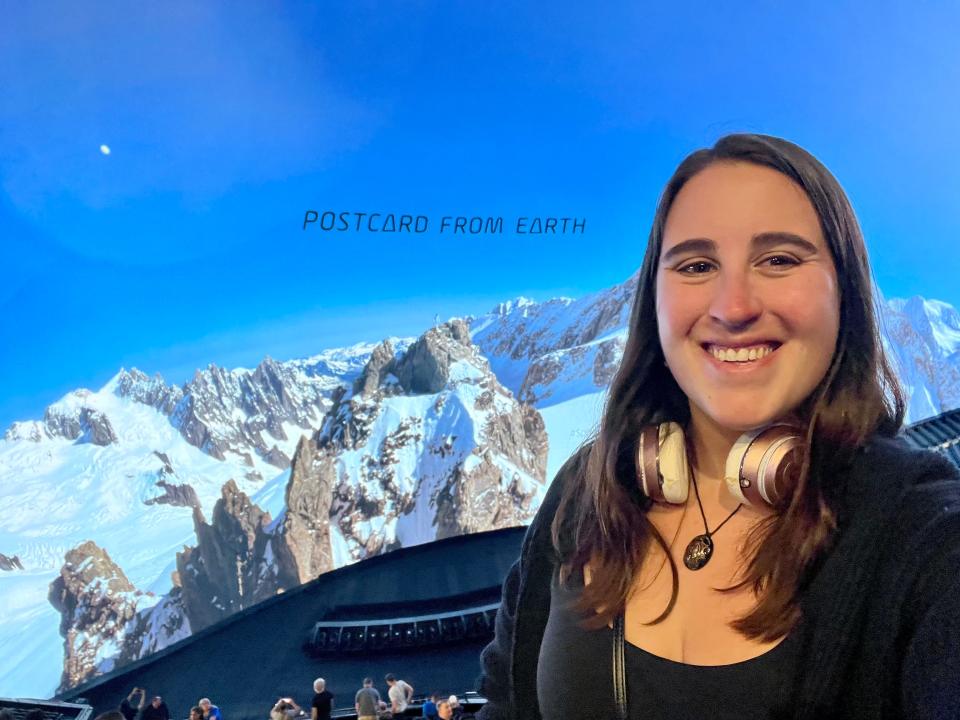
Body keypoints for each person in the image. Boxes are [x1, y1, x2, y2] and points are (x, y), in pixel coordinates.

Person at [476, 133, 960, 719]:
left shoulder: (923, 535)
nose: (733, 308)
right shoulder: (588, 488)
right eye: (697, 264)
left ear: (846, 291)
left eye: (779, 259)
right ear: (652, 300)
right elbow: (505, 700)